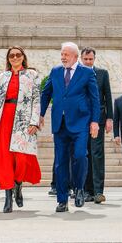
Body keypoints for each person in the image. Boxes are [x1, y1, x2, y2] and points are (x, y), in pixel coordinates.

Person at [40, 42, 100, 213]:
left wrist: (95, 121)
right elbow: (46, 94)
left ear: (75, 56)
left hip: (81, 122)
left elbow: (95, 98)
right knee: (60, 162)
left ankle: (79, 187)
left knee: (80, 155)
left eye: (66, 54)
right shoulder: (56, 71)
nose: (63, 57)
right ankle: (62, 199)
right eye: (62, 54)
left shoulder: (87, 72)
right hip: (60, 123)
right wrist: (40, 114)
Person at [0, 46, 41, 213]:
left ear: (23, 57)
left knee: (21, 158)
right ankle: (8, 197)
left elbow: (36, 99)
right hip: (4, 119)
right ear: (8, 59)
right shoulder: (1, 77)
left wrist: (34, 122)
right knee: (5, 159)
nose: (15, 58)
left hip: (23, 121)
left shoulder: (32, 75)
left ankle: (18, 184)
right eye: (11, 56)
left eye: (18, 55)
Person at [80, 47, 113, 204]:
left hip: (98, 120)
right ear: (81, 59)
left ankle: (98, 191)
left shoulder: (102, 73)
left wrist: (109, 118)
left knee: (97, 154)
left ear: (94, 59)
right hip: (80, 120)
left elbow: (108, 96)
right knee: (84, 154)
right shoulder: (76, 74)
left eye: (90, 59)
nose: (88, 62)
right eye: (85, 59)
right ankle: (87, 191)